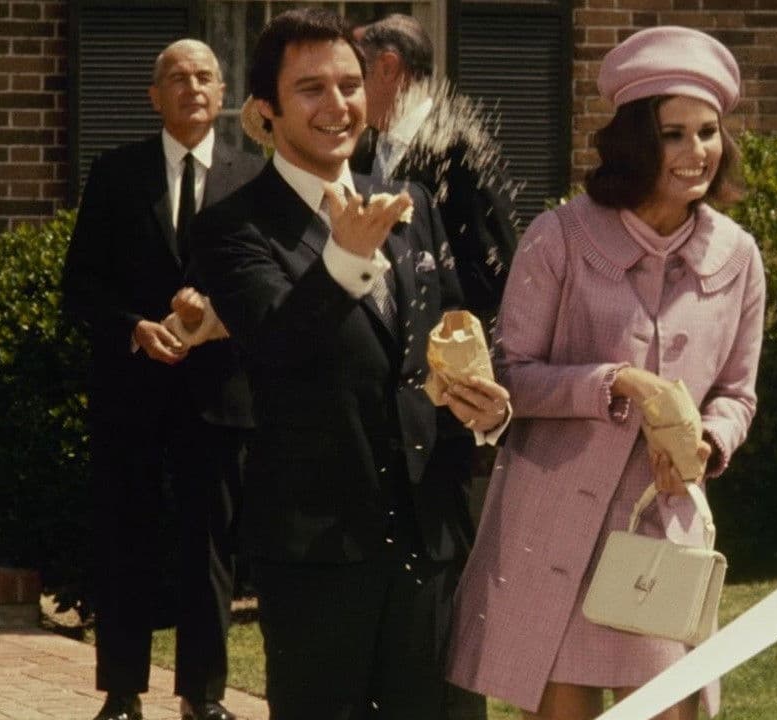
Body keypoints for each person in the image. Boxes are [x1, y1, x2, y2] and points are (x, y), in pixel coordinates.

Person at [186, 9, 510, 720]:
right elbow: (275, 344)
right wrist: (344, 258)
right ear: (265, 112)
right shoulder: (233, 226)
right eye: (311, 89)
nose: (337, 105)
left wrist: (487, 406)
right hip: (317, 556)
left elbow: (452, 332)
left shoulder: (411, 204)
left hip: (432, 542)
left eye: (349, 85)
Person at [446, 26, 765, 720]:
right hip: (554, 528)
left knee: (669, 707)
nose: (697, 151)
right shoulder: (560, 237)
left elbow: (738, 394)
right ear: (634, 141)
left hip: (663, 525)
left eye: (708, 132)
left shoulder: (738, 255)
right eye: (673, 134)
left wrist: (706, 442)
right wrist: (618, 381)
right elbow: (512, 378)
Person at [61, 39, 264, 720]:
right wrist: (134, 327)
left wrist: (217, 314)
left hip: (219, 394)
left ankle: (203, 697)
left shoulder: (252, 178)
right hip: (132, 392)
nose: (192, 87)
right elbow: (80, 286)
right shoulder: (117, 175)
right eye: (177, 77)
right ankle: (122, 694)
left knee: (210, 547)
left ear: (223, 92)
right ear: (155, 97)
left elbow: (268, 286)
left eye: (205, 76)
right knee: (126, 539)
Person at [350, 13, 517, 329]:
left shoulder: (460, 150)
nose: (347, 93)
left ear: (388, 67)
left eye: (354, 77)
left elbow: (493, 271)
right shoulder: (362, 149)